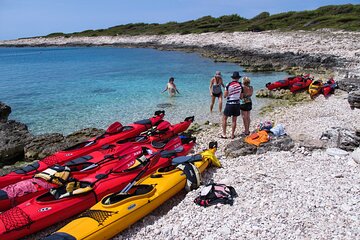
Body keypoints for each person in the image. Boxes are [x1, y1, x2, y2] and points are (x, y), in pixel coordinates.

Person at [221, 71, 243, 139]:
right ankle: (232, 134)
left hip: (229, 103)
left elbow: (225, 95)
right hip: (237, 104)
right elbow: (241, 97)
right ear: (238, 78)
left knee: (224, 118)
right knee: (234, 120)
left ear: (232, 77)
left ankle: (224, 134)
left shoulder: (228, 84)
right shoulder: (241, 85)